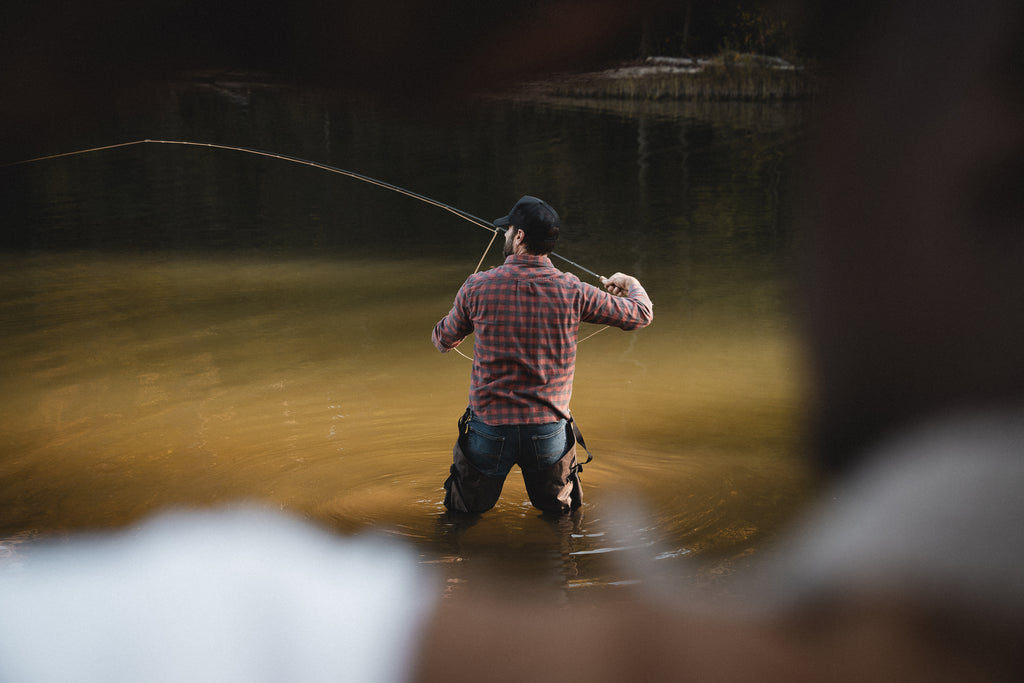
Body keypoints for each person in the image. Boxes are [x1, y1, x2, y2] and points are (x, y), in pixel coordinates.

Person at [431, 195, 653, 514]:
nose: (505, 235)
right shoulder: (573, 290)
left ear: (519, 236)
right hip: (548, 431)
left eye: (508, 229)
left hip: (489, 429)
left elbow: (442, 340)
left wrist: (467, 313)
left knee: (462, 517)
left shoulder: (477, 286)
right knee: (560, 520)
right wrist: (629, 282)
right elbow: (641, 314)